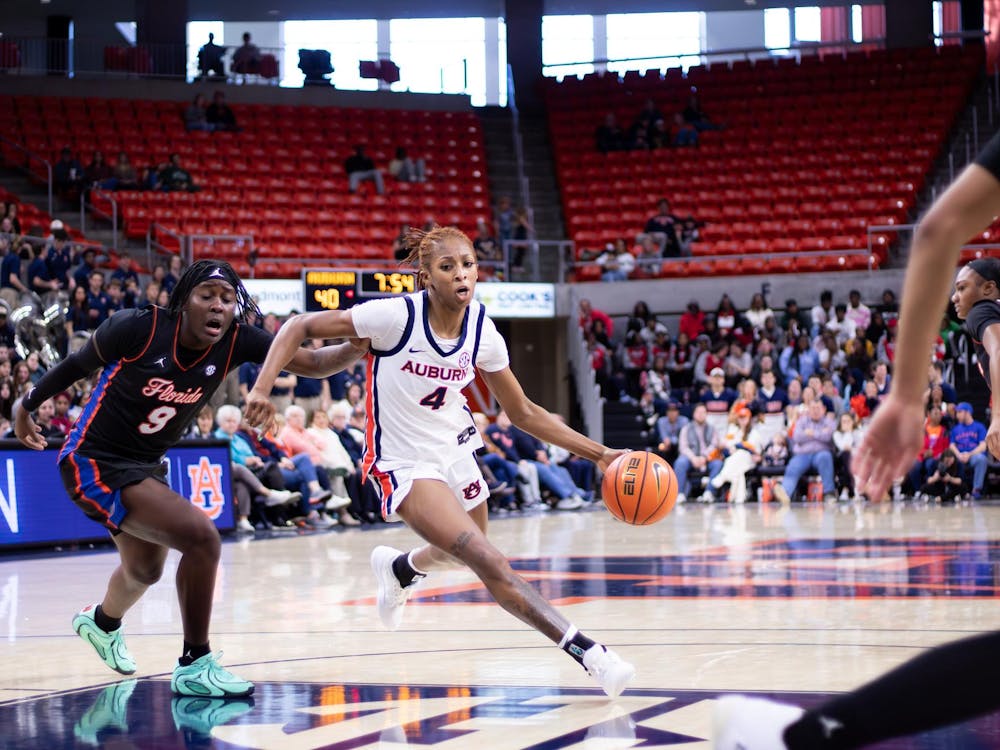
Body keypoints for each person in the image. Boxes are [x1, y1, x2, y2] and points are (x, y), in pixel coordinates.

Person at [243, 225, 635, 697]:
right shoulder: (393, 316)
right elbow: (299, 328)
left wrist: (602, 453)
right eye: (447, 267)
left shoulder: (482, 331)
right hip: (404, 459)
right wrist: (262, 389)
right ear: (426, 275)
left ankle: (402, 570)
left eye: (467, 264)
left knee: (465, 551)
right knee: (489, 561)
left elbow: (523, 412)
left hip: (454, 446)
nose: (460, 274)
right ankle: (591, 654)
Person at [714, 130, 1000, 749]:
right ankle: (805, 736)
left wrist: (906, 396)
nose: (959, 296)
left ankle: (801, 736)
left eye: (965, 286)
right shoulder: (980, 315)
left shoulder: (984, 312)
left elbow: (936, 231)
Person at [11, 260, 364, 699]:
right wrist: (25, 405)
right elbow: (76, 364)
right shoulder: (139, 327)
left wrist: (358, 345)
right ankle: (195, 664)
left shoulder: (237, 339)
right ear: (183, 301)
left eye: (226, 298)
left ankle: (101, 624)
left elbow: (311, 361)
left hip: (145, 465)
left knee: (145, 570)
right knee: (202, 538)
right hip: (93, 460)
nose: (218, 305)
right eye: (207, 296)